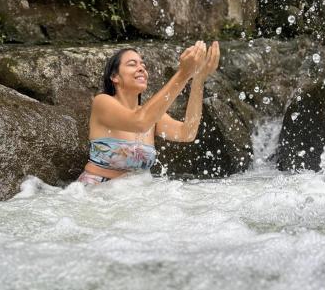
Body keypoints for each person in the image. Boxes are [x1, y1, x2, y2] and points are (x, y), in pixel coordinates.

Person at [78, 40, 220, 185]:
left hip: (133, 194)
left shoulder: (152, 117)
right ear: (114, 77)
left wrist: (198, 79)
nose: (141, 68)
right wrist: (183, 74)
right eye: (132, 64)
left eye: (143, 65)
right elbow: (140, 122)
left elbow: (187, 133)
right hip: (97, 191)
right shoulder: (102, 102)